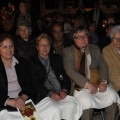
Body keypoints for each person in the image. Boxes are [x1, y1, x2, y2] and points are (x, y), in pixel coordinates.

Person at [63, 25, 120, 120]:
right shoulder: (68, 51)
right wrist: (87, 84)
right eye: (79, 37)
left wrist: (104, 81)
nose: (83, 39)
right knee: (87, 103)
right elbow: (70, 71)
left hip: (97, 83)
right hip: (80, 86)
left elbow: (103, 65)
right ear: (74, 39)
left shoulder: (95, 48)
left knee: (113, 97)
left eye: (85, 36)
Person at [29, 33, 81, 120]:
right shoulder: (32, 62)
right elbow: (36, 84)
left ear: (51, 46)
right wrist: (50, 94)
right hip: (43, 95)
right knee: (55, 110)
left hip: (60, 93)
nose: (45, 47)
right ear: (37, 47)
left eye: (47, 45)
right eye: (42, 45)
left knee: (73, 106)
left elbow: (65, 77)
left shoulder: (56, 58)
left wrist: (64, 89)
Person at [0, 32, 32, 114]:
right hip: (4, 105)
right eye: (4, 47)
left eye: (11, 46)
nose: (9, 50)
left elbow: (30, 84)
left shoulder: (22, 63)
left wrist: (23, 97)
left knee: (33, 118)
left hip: (23, 102)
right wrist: (8, 101)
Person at [102, 25, 120, 94]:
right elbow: (113, 74)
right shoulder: (107, 51)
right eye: (115, 38)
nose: (118, 41)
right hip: (117, 86)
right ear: (111, 39)